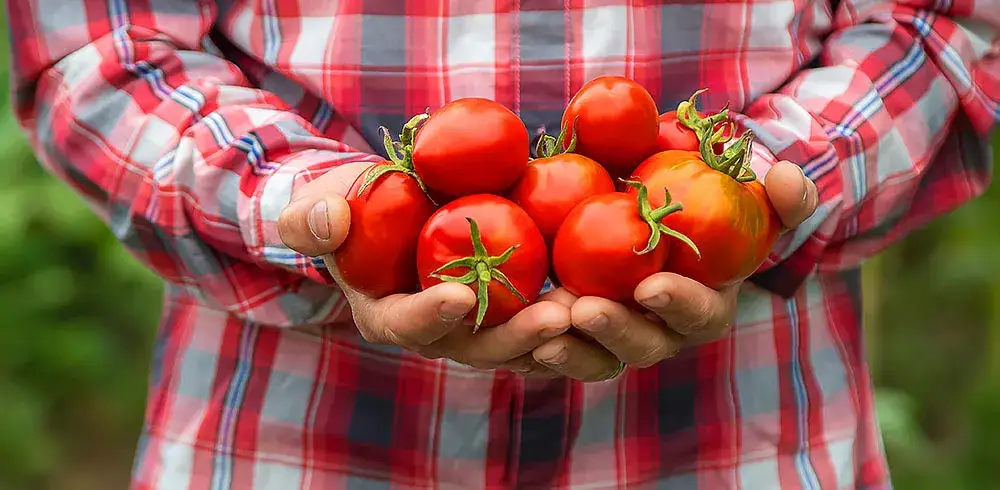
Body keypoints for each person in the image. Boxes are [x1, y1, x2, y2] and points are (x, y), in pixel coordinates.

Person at [6, 0, 998, 487]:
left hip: (746, 439)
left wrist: (764, 191)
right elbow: (100, 43)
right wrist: (305, 207)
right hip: (286, 443)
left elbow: (939, 19)